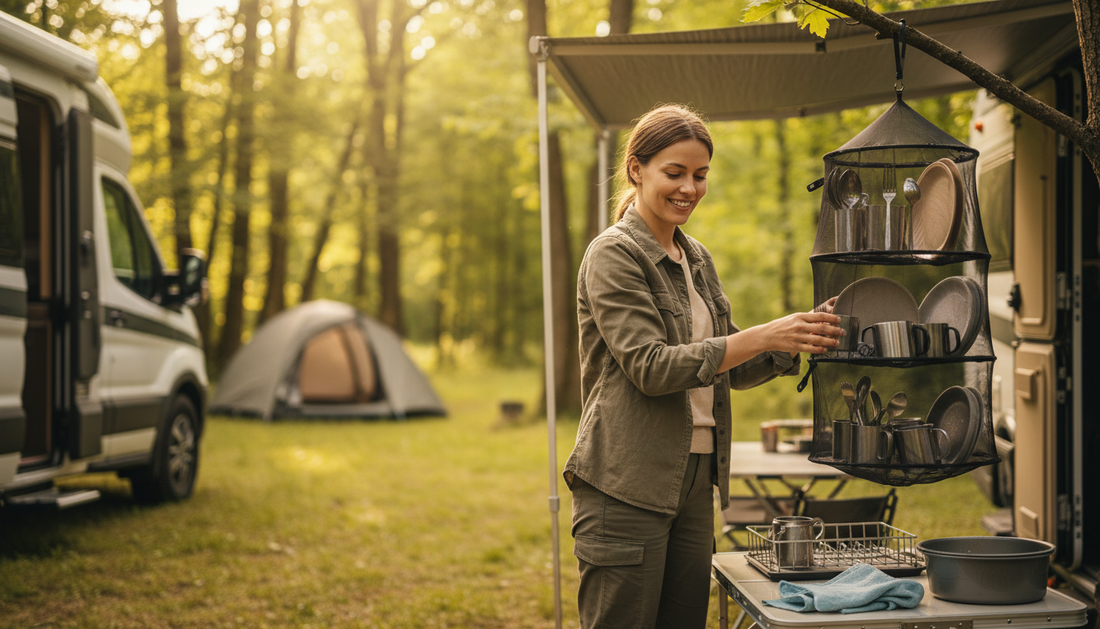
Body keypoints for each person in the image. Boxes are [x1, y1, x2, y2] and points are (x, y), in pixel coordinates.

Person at [564, 103, 843, 629]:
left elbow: (727, 366)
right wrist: (764, 333)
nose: (689, 188)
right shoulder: (614, 255)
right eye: (674, 173)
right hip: (627, 479)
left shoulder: (696, 258)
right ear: (636, 169)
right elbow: (651, 368)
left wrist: (794, 340)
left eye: (700, 175)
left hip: (696, 478)